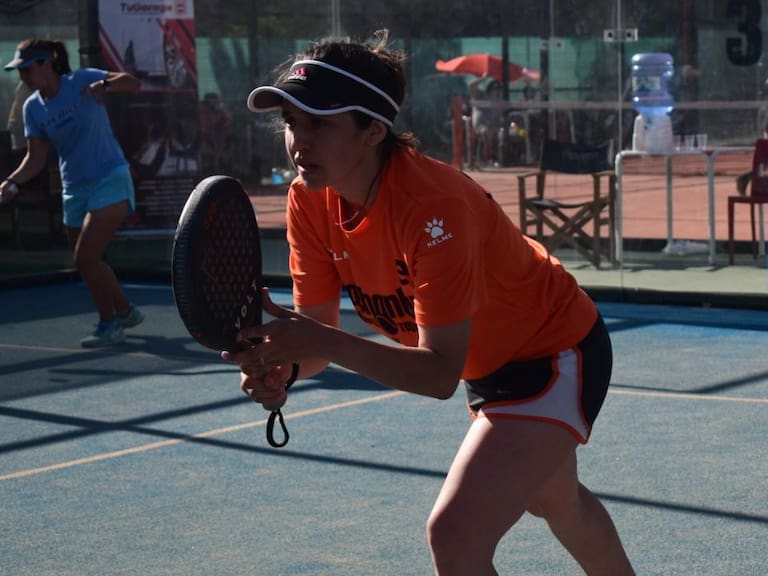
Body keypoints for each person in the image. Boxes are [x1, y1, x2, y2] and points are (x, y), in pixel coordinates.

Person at [226, 31, 635, 575]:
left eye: (320, 123)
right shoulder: (308, 198)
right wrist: (285, 368)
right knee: (558, 502)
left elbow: (439, 373)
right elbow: (317, 341)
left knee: (456, 535)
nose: (299, 140)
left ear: (374, 129)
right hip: (489, 363)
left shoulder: (431, 206)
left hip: (555, 350)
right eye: (291, 123)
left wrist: (317, 341)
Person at [0, 39, 145, 347]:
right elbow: (36, 157)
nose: (23, 76)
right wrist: (12, 182)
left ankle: (110, 324)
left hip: (110, 177)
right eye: (19, 71)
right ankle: (126, 310)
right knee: (89, 261)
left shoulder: (80, 79)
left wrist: (105, 85)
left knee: (86, 257)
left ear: (46, 64)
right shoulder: (32, 108)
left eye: (27, 69)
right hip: (73, 188)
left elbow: (131, 82)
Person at [468, 75, 504, 167]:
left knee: (505, 134)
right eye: (494, 88)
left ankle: (500, 159)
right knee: (487, 132)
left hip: (495, 127)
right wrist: (483, 78)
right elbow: (471, 86)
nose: (496, 91)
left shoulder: (499, 101)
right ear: (489, 88)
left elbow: (499, 119)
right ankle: (486, 160)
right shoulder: (480, 95)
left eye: (498, 89)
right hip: (480, 125)